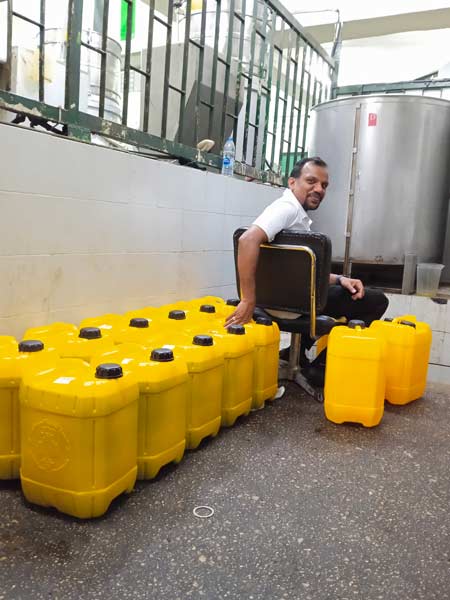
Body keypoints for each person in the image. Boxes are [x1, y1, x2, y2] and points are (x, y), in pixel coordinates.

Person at [225, 156, 389, 385]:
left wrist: (340, 279)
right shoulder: (286, 209)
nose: (319, 189)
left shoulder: (296, 215)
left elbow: (302, 272)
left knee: (337, 291)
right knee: (376, 300)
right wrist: (247, 299)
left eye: (324, 185)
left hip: (281, 301)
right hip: (295, 306)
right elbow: (247, 240)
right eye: (311, 181)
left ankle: (295, 354)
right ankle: (320, 368)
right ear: (292, 182)